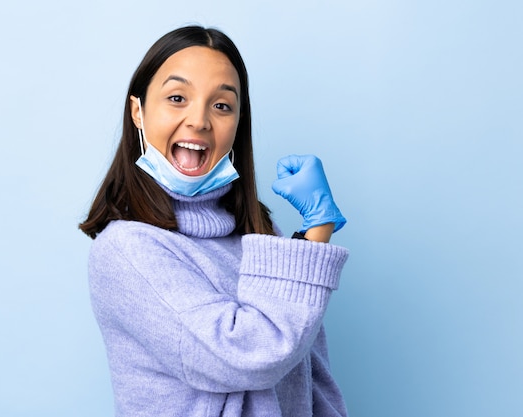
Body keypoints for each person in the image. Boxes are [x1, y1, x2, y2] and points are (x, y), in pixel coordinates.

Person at [80, 25, 349, 417]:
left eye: (221, 105)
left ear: (238, 122)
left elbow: (309, 378)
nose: (199, 120)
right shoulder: (126, 250)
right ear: (138, 111)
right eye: (177, 98)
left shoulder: (260, 236)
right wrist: (316, 235)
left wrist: (302, 243)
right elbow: (247, 355)